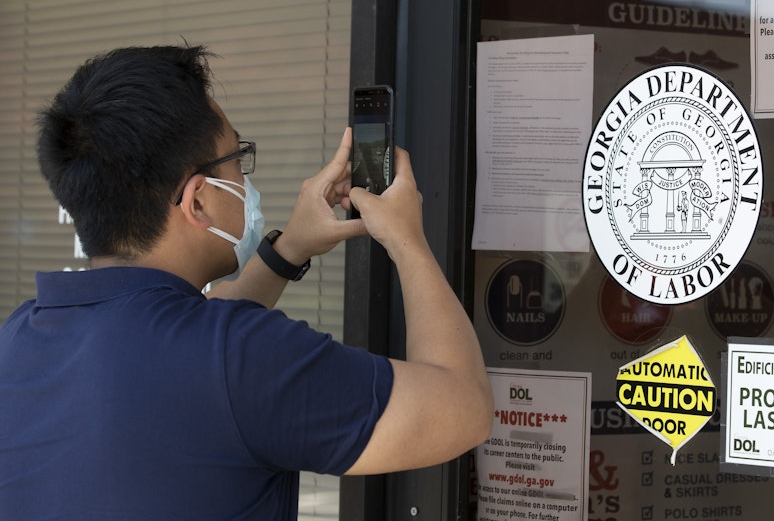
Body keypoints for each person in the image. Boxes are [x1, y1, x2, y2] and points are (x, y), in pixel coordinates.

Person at [0, 45, 493, 519]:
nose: (244, 178)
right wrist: (407, 239)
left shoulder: (18, 340)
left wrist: (290, 248)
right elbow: (464, 406)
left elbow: (188, 344)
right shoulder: (244, 357)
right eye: (237, 160)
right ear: (197, 202)